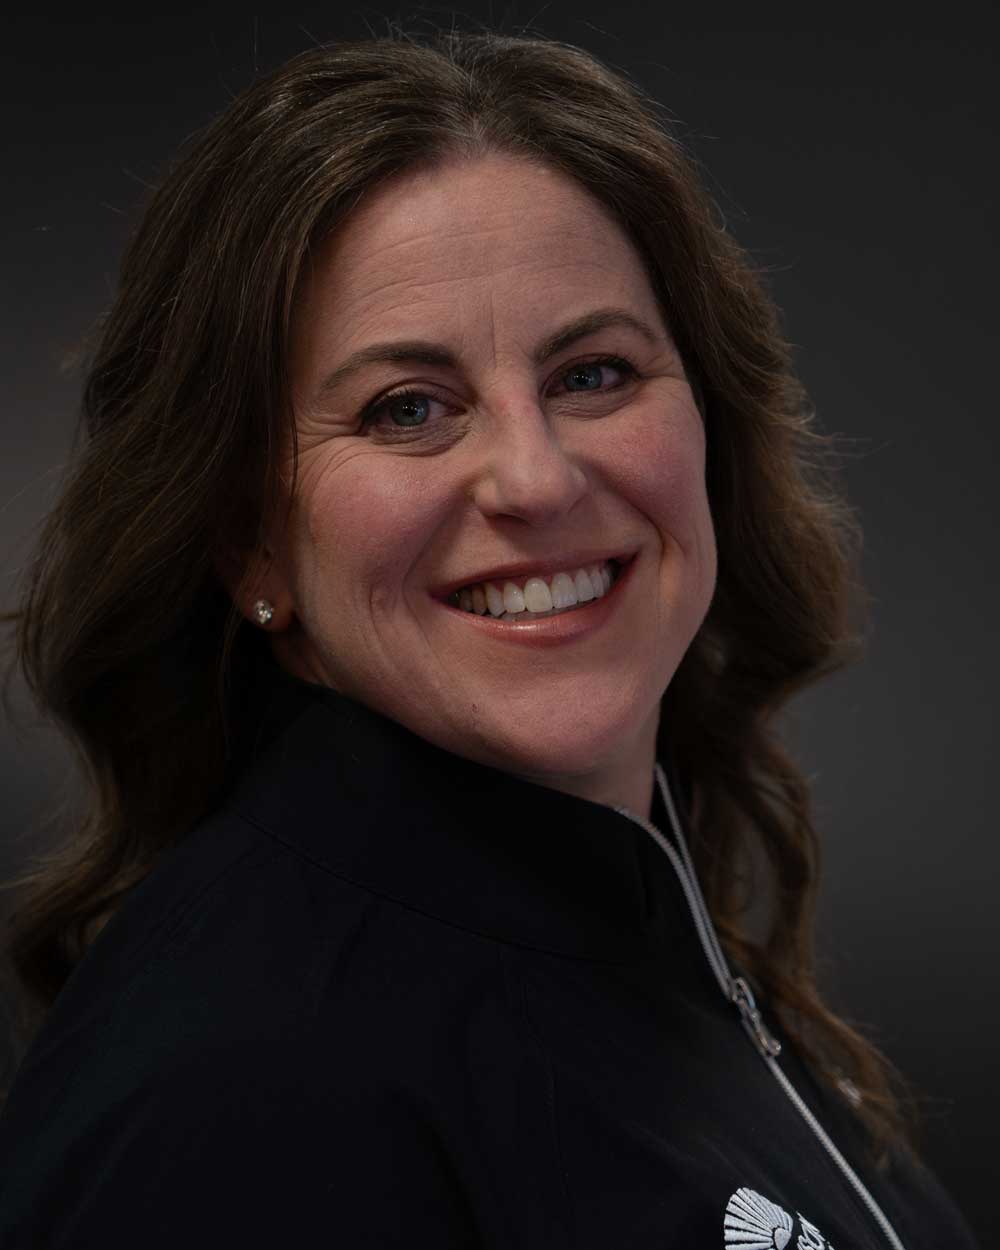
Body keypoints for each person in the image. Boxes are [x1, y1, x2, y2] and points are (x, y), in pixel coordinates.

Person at [0, 26, 980, 1249]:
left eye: (593, 374)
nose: (535, 476)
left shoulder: (628, 920)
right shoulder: (245, 1095)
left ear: (710, 419)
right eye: (407, 407)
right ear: (250, 541)